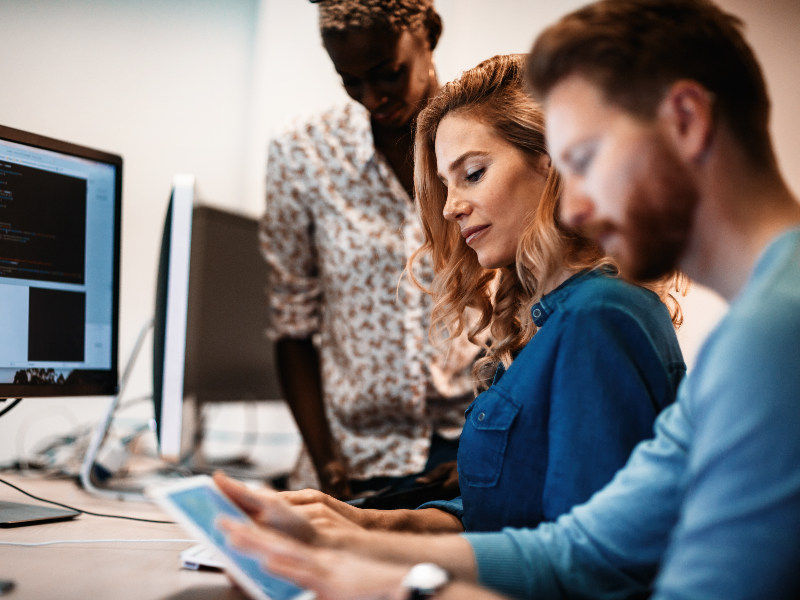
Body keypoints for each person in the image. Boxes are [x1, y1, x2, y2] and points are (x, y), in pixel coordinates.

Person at [219, 0, 800, 599]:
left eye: (583, 160)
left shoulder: (776, 334)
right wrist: (350, 537)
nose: (573, 207)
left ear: (685, 120)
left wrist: (406, 588)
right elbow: (581, 550)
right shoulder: (753, 330)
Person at [251, 54, 685, 537]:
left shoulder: (600, 315)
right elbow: (506, 509)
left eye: (473, 173)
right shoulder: (534, 317)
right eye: (444, 185)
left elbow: (581, 559)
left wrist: (364, 554)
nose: (452, 207)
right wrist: (369, 522)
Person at [261, 0, 478, 499]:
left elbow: (527, 304)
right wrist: (328, 469)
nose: (372, 97)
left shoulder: (485, 145)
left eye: (388, 73)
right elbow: (293, 323)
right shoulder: (303, 153)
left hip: (466, 444)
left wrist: (492, 450)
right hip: (353, 456)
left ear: (428, 35)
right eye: (349, 80)